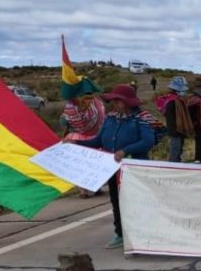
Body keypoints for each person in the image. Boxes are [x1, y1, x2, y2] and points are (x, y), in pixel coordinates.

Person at [77, 84, 156, 249]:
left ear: (127, 102)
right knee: (116, 201)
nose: (114, 104)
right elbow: (98, 141)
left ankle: (143, 232)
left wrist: (125, 150)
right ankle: (120, 233)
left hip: (134, 168)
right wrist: (76, 143)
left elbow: (148, 141)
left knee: (137, 201)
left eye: (117, 101)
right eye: (113, 101)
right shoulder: (111, 118)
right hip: (112, 168)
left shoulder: (141, 118)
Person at [59, 77, 106, 197]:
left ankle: (85, 189)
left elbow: (64, 121)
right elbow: (102, 119)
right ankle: (94, 187)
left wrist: (65, 120)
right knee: (92, 163)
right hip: (92, 137)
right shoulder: (98, 104)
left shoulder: (71, 106)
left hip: (79, 138)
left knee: (80, 164)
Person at [155, 76, 193, 162]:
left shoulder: (174, 99)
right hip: (175, 130)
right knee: (175, 150)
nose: (184, 92)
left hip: (177, 129)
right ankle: (173, 166)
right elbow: (172, 117)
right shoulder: (173, 101)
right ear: (177, 89)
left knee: (178, 149)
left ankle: (176, 163)